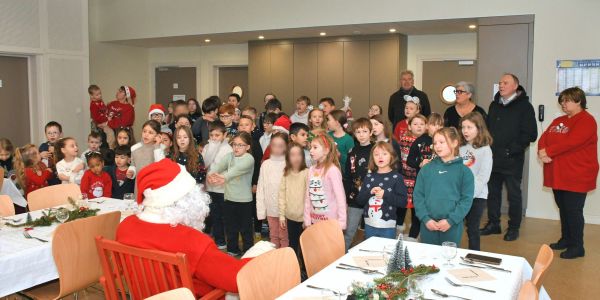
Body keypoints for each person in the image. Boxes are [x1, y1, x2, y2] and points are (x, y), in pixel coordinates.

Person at [116, 159, 274, 298]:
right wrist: (260, 251)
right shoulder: (191, 240)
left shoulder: (126, 226)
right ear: (186, 200)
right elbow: (236, 279)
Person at [538, 87, 598, 259]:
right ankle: (566, 239)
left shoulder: (587, 120)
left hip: (577, 173)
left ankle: (578, 246)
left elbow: (572, 142)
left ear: (578, 100)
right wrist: (542, 150)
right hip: (558, 173)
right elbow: (544, 137)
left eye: (566, 100)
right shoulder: (559, 120)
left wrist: (548, 151)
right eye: (561, 101)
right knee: (563, 208)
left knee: (573, 210)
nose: (563, 104)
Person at [481, 73, 537, 241]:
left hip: (512, 160)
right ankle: (494, 224)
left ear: (515, 86)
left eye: (505, 83)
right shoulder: (494, 105)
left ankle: (513, 228)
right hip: (493, 158)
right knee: (493, 193)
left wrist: (511, 150)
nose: (501, 85)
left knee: (513, 195)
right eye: (500, 83)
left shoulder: (525, 107)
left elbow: (530, 134)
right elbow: (488, 129)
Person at [413, 127, 474, 245]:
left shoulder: (464, 172)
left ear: (455, 143)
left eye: (442, 142)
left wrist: (451, 220)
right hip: (428, 225)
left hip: (452, 226)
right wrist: (426, 219)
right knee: (428, 260)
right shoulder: (426, 169)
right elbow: (418, 196)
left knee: (448, 259)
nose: (437, 146)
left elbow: (466, 200)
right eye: (435, 143)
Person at [207, 132, 255, 256]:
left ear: (247, 147)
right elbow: (217, 167)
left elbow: (235, 171)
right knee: (231, 227)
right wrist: (211, 176)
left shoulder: (249, 158)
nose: (236, 148)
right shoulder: (229, 156)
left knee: (246, 229)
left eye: (240, 145)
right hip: (229, 198)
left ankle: (248, 251)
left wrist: (223, 177)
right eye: (234, 144)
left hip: (244, 201)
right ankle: (232, 249)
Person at [357, 142, 407, 239]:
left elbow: (402, 202)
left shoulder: (397, 177)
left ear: (392, 156)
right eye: (376, 154)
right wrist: (369, 192)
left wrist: (385, 194)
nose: (380, 157)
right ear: (372, 158)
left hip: (388, 227)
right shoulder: (368, 177)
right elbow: (359, 201)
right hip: (369, 226)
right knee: (371, 253)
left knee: (386, 253)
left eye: (384, 154)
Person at [459, 112, 493, 251]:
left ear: (479, 128)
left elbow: (483, 176)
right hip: (459, 195)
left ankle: (474, 257)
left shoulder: (485, 150)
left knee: (472, 229)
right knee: (455, 227)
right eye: (463, 127)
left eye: (469, 127)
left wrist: (469, 194)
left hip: (477, 196)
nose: (465, 131)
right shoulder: (460, 147)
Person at [304, 133, 347, 229]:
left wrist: (341, 223)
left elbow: (340, 198)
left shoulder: (332, 170)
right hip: (314, 221)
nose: (311, 150)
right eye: (310, 147)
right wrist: (307, 220)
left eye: (315, 147)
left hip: (331, 223)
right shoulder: (311, 169)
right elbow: (308, 196)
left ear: (326, 151)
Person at [343, 118, 374, 250]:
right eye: (358, 132)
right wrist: (345, 199)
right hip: (354, 198)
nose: (361, 135)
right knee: (349, 231)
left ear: (371, 132)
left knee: (370, 233)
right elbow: (348, 177)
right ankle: (339, 256)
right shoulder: (352, 152)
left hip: (372, 199)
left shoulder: (376, 149)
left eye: (365, 131)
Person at [202, 121, 232, 249]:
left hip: (223, 188)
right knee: (213, 215)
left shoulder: (228, 149)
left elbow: (230, 168)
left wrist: (220, 178)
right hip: (209, 187)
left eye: (217, 135)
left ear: (224, 135)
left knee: (224, 216)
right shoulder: (207, 147)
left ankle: (226, 240)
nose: (214, 138)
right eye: (212, 135)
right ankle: (218, 240)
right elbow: (203, 164)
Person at [256, 132, 289, 248]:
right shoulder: (266, 164)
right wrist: (261, 211)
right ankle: (275, 262)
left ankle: (286, 261)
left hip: (285, 210)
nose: (276, 149)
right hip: (270, 208)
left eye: (280, 146)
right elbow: (260, 188)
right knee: (273, 235)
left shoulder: (289, 164)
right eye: (274, 145)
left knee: (284, 237)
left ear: (286, 146)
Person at [398, 114, 427, 240]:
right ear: (409, 126)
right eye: (415, 124)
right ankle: (398, 232)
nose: (419, 127)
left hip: (420, 182)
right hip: (405, 180)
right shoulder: (405, 140)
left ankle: (413, 237)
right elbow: (404, 161)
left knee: (417, 210)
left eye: (421, 124)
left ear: (426, 126)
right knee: (401, 208)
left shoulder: (429, 142)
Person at [278, 142, 309, 256]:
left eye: (299, 154)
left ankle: (305, 272)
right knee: (292, 245)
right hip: (290, 217)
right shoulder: (286, 173)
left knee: (305, 248)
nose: (296, 158)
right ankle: (295, 270)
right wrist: (282, 216)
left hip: (304, 219)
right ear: (287, 157)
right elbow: (281, 195)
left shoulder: (307, 173)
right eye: (292, 155)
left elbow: (309, 197)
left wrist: (307, 218)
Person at [327, 110, 355, 174]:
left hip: (343, 174)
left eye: (329, 120)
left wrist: (340, 155)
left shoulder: (348, 139)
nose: (327, 122)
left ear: (337, 123)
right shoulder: (328, 135)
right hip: (328, 171)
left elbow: (352, 161)